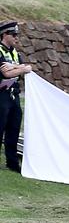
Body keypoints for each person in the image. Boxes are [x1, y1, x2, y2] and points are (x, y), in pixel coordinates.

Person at [0, 21, 32, 173]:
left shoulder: (15, 53)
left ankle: (12, 163)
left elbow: (27, 69)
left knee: (13, 129)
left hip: (14, 95)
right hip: (1, 95)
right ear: (4, 35)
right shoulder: (0, 51)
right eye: (13, 35)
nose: (16, 38)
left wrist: (16, 67)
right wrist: (20, 69)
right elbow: (5, 73)